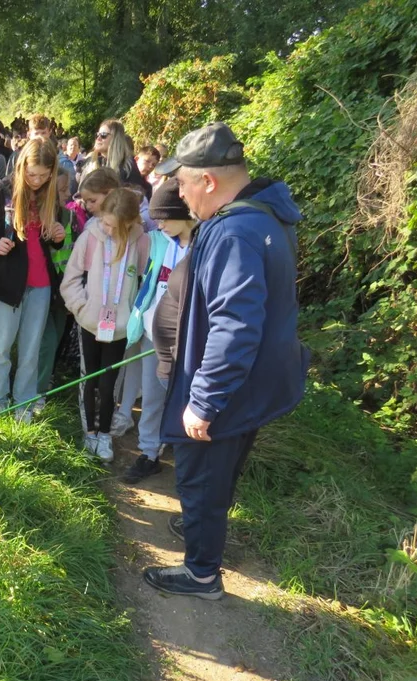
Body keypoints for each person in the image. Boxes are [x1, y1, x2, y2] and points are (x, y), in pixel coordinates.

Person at [143, 122, 309, 600]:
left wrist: (203, 400)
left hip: (229, 389)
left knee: (201, 474)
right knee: (217, 475)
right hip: (252, 384)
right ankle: (203, 529)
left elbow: (235, 325)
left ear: (208, 181)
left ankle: (201, 574)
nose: (180, 193)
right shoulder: (261, 216)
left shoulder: (236, 231)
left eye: (183, 182)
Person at [0, 138, 67, 422]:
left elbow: (49, 241)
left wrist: (57, 238)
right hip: (7, 283)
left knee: (31, 348)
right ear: (22, 167)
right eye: (31, 174)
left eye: (43, 175)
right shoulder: (3, 191)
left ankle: (23, 401)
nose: (36, 180)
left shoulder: (49, 196)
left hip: (41, 284)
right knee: (1, 347)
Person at [60, 188, 149, 461]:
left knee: (110, 383)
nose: (108, 229)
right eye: (105, 222)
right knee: (89, 380)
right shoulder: (90, 238)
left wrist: (136, 314)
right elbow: (71, 278)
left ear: (131, 223)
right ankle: (89, 432)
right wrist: (81, 307)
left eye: (115, 226)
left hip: (121, 329)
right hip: (90, 323)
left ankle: (105, 435)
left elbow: (147, 282)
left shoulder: (142, 242)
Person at [121, 179, 195, 483]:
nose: (159, 223)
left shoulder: (204, 246)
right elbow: (149, 283)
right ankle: (149, 452)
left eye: (165, 217)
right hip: (154, 335)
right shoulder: (159, 242)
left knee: (183, 399)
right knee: (151, 397)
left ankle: (187, 455)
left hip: (188, 342)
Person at [82, 119, 141, 187]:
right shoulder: (91, 164)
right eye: (97, 135)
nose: (98, 138)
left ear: (115, 139)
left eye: (103, 135)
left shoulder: (127, 166)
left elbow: (136, 195)